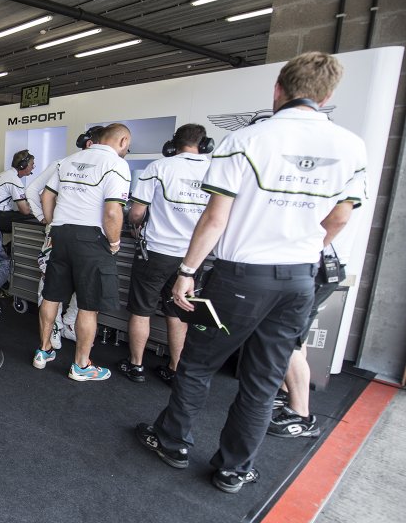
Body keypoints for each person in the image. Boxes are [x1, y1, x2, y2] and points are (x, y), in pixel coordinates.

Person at [135, 51, 367, 494]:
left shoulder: (245, 140)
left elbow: (215, 219)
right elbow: (339, 218)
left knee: (197, 365)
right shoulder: (351, 146)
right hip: (299, 279)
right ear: (327, 95)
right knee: (263, 380)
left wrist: (187, 271)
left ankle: (172, 442)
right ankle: (234, 469)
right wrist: (301, 248)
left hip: (240, 278)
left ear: (278, 89)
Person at [35, 123, 131, 380]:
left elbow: (46, 196)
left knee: (51, 296)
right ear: (122, 141)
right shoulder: (116, 164)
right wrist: (114, 242)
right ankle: (81, 366)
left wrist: (51, 225)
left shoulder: (68, 160)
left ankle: (43, 351)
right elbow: (113, 211)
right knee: (89, 307)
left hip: (61, 234)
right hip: (92, 239)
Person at [119, 124, 212, 384]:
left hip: (155, 252)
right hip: (192, 258)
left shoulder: (159, 167)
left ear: (173, 144)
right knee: (178, 312)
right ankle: (174, 369)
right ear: (205, 144)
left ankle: (136, 366)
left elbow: (136, 213)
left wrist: (135, 225)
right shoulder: (214, 170)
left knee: (141, 311)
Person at [25, 126, 105, 349]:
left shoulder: (69, 163)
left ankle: (62, 327)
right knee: (68, 283)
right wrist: (46, 219)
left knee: (57, 283)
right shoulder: (70, 164)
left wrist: (47, 220)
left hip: (64, 234)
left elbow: (33, 191)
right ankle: (62, 327)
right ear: (90, 143)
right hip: (81, 236)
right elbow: (34, 191)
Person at [269, 245, 345, 438]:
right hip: (321, 268)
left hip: (315, 269)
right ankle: (287, 393)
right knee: (296, 339)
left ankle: (300, 415)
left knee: (286, 340)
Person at [0, 150, 35, 233]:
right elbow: (25, 211)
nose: (33, 167)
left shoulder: (7, 174)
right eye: (32, 164)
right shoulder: (14, 179)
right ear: (23, 165)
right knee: (36, 219)